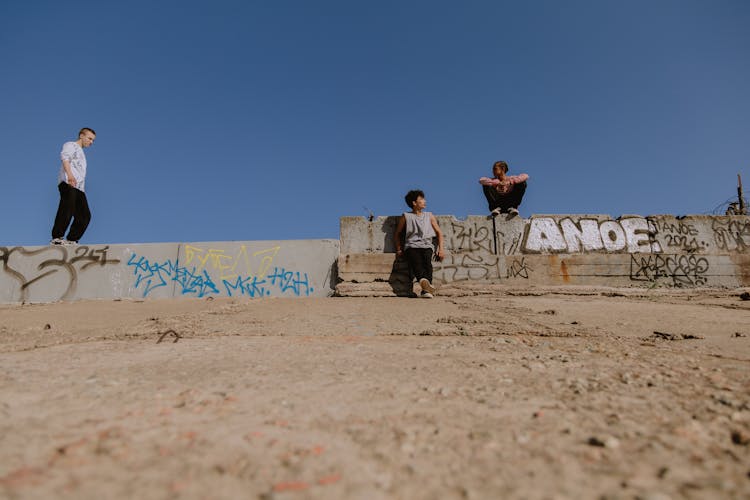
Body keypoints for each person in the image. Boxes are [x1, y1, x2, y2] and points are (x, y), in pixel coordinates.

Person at [394, 190, 445, 298]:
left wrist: (441, 249)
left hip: (427, 245)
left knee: (428, 265)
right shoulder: (406, 216)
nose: (424, 201)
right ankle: (427, 290)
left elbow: (439, 233)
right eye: (421, 199)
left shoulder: (429, 215)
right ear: (414, 203)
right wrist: (399, 249)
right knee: (417, 264)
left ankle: (425, 290)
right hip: (411, 246)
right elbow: (397, 233)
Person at [50, 128, 96, 245]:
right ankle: (57, 238)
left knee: (85, 215)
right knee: (67, 208)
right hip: (68, 183)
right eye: (89, 138)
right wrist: (69, 175)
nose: (91, 142)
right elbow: (65, 158)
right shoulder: (71, 145)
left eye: (93, 140)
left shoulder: (82, 153)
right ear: (81, 135)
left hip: (79, 188)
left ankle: (71, 240)